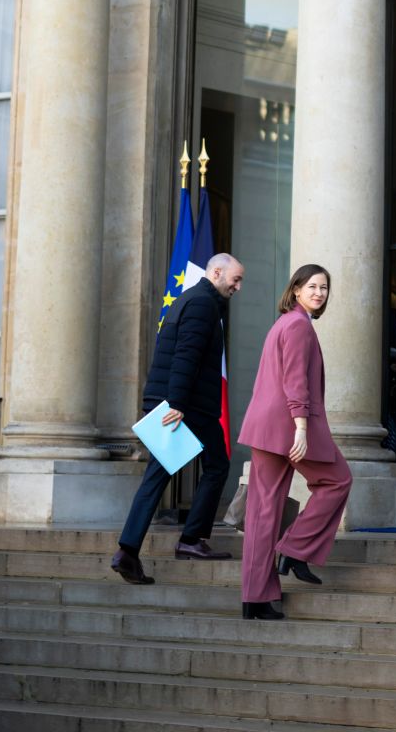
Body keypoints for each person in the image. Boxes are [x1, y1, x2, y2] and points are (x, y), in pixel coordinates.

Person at [111, 251, 244, 585]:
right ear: (216, 272)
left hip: (178, 402)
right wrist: (178, 403)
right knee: (217, 465)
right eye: (235, 279)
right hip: (187, 406)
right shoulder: (202, 304)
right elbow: (187, 355)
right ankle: (191, 540)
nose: (238, 287)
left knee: (159, 474)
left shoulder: (192, 299)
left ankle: (128, 551)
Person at [237, 263, 352, 621]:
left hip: (264, 427)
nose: (319, 293)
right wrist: (301, 427)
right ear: (297, 289)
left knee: (262, 512)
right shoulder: (299, 326)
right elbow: (295, 382)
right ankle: (294, 549)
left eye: (325, 288)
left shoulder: (282, 323)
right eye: (313, 286)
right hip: (289, 427)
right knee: (338, 480)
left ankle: (255, 598)